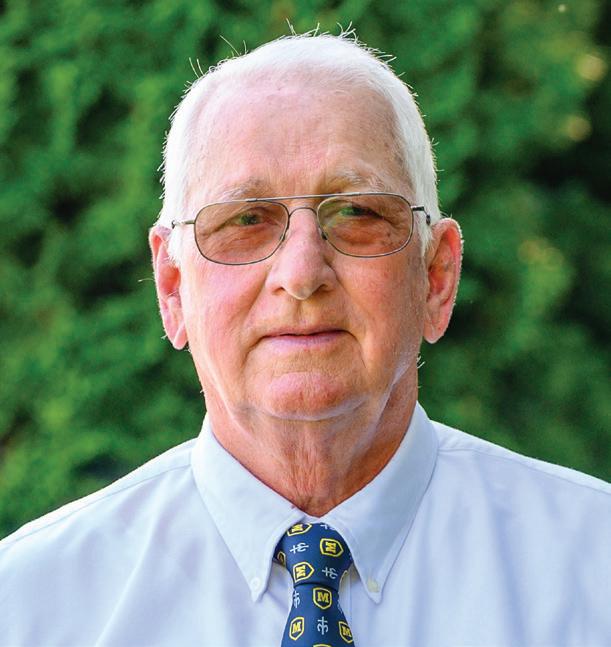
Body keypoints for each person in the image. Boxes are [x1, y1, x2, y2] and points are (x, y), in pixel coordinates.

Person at [0, 32, 609, 647]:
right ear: (173, 288)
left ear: (436, 277)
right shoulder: (31, 606)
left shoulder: (593, 570)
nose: (300, 274)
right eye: (245, 220)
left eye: (357, 213)